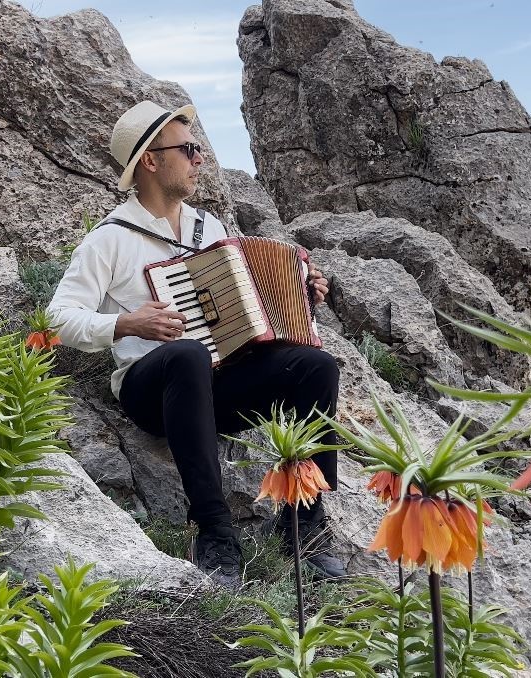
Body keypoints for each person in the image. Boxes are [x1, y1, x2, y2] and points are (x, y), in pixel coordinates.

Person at [48, 101, 346, 588]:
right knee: (186, 352)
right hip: (153, 395)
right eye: (188, 149)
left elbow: (247, 310)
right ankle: (214, 531)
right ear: (150, 160)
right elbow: (58, 318)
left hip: (217, 388)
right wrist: (126, 323)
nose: (198, 158)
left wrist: (300, 291)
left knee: (316, 366)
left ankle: (304, 519)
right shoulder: (110, 239)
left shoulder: (211, 229)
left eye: (199, 149)